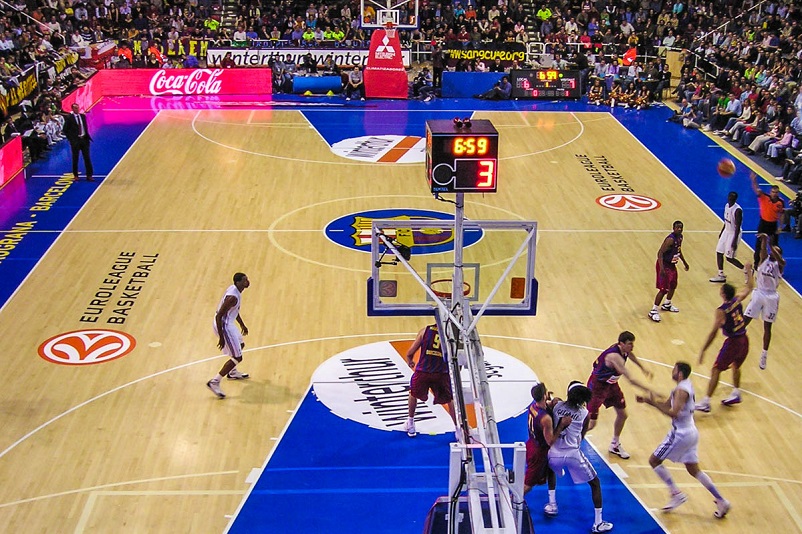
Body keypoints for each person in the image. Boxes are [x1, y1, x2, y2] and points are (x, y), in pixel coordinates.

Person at [636, 362, 731, 519]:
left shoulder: (681, 390)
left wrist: (653, 403)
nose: (671, 372)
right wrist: (649, 401)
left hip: (679, 433)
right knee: (694, 469)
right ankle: (721, 500)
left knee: (654, 460)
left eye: (674, 369)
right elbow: (667, 405)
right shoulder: (684, 386)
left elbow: (672, 412)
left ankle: (676, 493)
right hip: (691, 432)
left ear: (679, 374)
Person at [548, 381, 613, 533]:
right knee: (595, 483)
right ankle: (598, 523)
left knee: (550, 468)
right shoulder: (584, 414)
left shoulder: (557, 405)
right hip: (572, 454)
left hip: (554, 452)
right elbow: (582, 436)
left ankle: (552, 504)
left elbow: (550, 406)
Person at [586, 331, 653, 459]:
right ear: (621, 344)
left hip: (611, 385)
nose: (632, 347)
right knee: (592, 424)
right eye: (629, 344)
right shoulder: (614, 357)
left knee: (623, 414)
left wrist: (641, 367)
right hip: (597, 387)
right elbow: (631, 379)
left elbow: (630, 354)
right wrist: (649, 389)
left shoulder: (624, 350)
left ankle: (615, 444)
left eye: (633, 344)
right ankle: (569, 438)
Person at [696, 264, 754, 411]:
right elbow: (749, 288)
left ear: (722, 294)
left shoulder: (721, 311)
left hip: (733, 342)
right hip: (744, 339)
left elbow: (714, 331)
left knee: (716, 369)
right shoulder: (737, 300)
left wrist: (704, 349)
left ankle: (706, 402)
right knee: (736, 365)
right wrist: (748, 272)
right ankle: (736, 392)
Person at [404, 323, 457, 437]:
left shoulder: (425, 331)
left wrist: (410, 361)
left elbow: (409, 353)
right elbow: (458, 358)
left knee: (413, 393)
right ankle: (458, 429)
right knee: (450, 400)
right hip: (441, 373)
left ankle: (411, 423)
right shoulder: (452, 335)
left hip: (423, 371)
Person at [743, 234, 785, 370]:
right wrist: (764, 241)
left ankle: (764, 354)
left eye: (777, 251)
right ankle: (736, 341)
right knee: (745, 319)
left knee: (767, 327)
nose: (774, 252)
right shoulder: (763, 260)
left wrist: (771, 245)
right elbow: (763, 251)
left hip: (771, 296)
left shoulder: (780, 264)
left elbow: (777, 256)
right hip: (759, 293)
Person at [206, 273, 251, 398]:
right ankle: (214, 382)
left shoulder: (235, 291)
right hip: (223, 325)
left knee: (241, 344)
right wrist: (221, 336)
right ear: (237, 283)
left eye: (247, 279)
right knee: (237, 357)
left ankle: (231, 372)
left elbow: (234, 311)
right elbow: (220, 315)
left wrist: (242, 325)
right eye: (244, 280)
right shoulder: (233, 297)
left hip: (228, 322)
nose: (247, 281)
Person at [523, 383, 559, 517]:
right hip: (539, 452)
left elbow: (544, 406)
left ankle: (552, 501)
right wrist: (561, 425)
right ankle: (511, 502)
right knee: (529, 484)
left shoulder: (532, 407)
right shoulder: (546, 419)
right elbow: (550, 441)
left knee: (543, 473)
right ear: (544, 395)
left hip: (531, 444)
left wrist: (550, 403)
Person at [649, 221, 689, 322]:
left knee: (673, 285)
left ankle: (667, 304)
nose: (679, 229)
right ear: (673, 228)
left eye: (681, 227)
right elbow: (660, 253)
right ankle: (653, 310)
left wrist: (684, 262)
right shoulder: (670, 240)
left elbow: (678, 251)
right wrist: (662, 269)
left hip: (672, 265)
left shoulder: (680, 237)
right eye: (677, 227)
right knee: (663, 289)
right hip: (664, 265)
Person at [709, 191, 746, 283]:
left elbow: (737, 227)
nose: (730, 198)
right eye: (729, 197)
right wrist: (722, 232)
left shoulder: (738, 210)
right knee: (719, 251)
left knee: (729, 258)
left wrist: (734, 241)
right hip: (726, 231)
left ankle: (747, 270)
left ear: (735, 199)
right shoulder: (726, 206)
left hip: (734, 233)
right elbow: (726, 221)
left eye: (732, 197)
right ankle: (721, 274)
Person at [749, 172, 784, 260]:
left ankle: (776, 264)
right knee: (759, 245)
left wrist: (780, 226)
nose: (775, 194)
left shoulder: (780, 202)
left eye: (776, 192)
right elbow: (756, 189)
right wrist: (753, 180)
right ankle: (757, 263)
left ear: (778, 193)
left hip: (773, 225)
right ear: (770, 192)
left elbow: (781, 214)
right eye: (773, 192)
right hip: (763, 224)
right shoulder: (764, 197)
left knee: (775, 246)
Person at [62, 103, 94, 181]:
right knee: (75, 158)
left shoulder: (83, 116)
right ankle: (75, 175)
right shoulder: (69, 118)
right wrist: (71, 139)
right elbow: (65, 130)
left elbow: (85, 127)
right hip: (76, 141)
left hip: (84, 140)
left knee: (87, 158)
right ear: (72, 109)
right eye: (75, 108)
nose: (77, 109)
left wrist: (86, 136)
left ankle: (89, 175)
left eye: (78, 108)